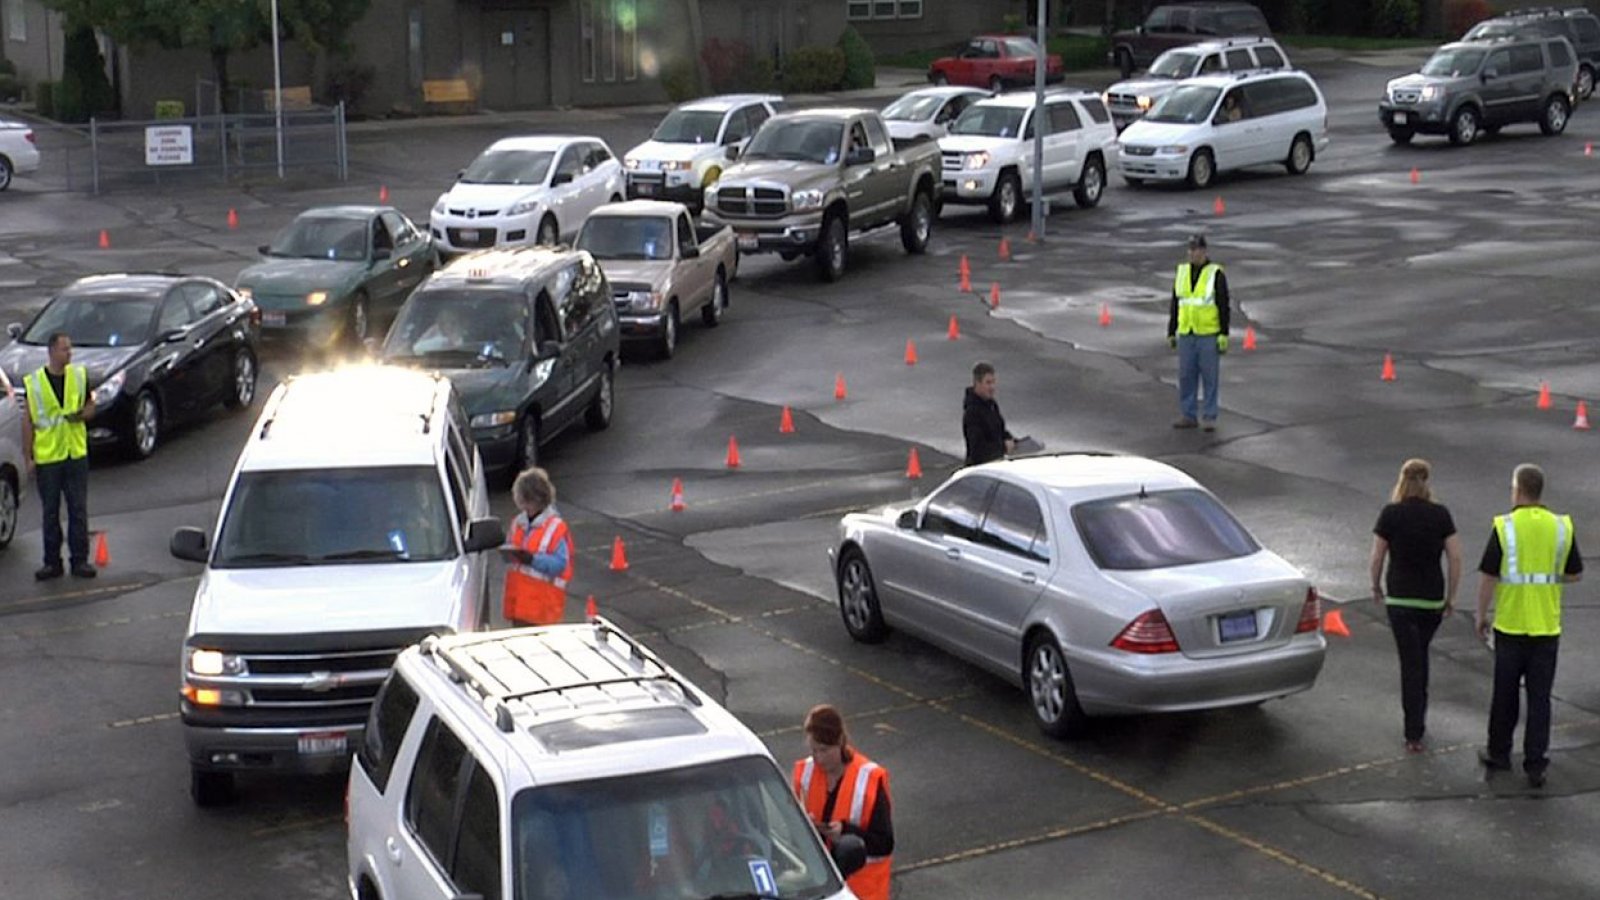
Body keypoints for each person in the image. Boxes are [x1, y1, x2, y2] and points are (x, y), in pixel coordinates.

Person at [1474, 464, 1581, 788]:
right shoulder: (1561, 526)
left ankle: (1500, 753)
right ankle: (1536, 764)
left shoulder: (1505, 526)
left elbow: (1489, 575)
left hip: (1511, 624)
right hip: (1547, 627)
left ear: (1518, 490)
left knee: (1504, 695)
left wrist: (1481, 615)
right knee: (1540, 699)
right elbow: (1574, 573)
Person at [1369, 458, 1462, 754]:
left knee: (1411, 664)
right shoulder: (1440, 515)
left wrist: (1375, 585)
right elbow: (1456, 558)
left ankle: (1414, 732)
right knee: (1420, 657)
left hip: (1399, 599)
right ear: (1428, 481)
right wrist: (1451, 596)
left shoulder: (1390, 514)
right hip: (1430, 599)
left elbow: (1377, 556)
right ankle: (1418, 721)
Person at [792, 704, 893, 900]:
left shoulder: (869, 779)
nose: (818, 758)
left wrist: (846, 832)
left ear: (839, 741)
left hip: (862, 892)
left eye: (824, 750)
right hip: (820, 887)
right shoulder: (805, 773)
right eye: (814, 750)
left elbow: (884, 844)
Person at [22, 332, 97, 580]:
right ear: (52, 352)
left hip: (75, 453)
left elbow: (90, 405)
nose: (69, 353)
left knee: (78, 509)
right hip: (49, 458)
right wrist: (29, 456)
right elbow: (28, 421)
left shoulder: (78, 376)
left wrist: (83, 414)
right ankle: (52, 562)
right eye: (65, 349)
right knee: (50, 512)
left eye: (70, 349)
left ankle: (79, 561)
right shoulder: (34, 383)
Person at [1166, 233, 1231, 432]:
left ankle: (1209, 416)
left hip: (1208, 333)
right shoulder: (1182, 272)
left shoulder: (1215, 273)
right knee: (1186, 376)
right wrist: (1171, 330)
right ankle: (1189, 414)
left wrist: (1223, 333)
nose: (1193, 253)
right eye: (1191, 249)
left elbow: (1223, 304)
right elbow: (1176, 303)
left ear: (1204, 251)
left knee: (1210, 377)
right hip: (1187, 332)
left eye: (1196, 250)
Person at [501, 467, 573, 627]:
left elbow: (560, 565)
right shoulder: (518, 523)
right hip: (519, 605)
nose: (522, 505)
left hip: (541, 609)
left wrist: (532, 559)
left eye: (525, 501)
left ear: (535, 500)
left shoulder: (556, 527)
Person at [963, 361, 1014, 465]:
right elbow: (977, 451)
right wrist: (1003, 447)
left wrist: (1010, 439)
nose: (992, 387)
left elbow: (998, 429)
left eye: (993, 382)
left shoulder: (991, 405)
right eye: (988, 383)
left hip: (996, 463)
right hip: (980, 468)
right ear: (977, 383)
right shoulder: (972, 412)